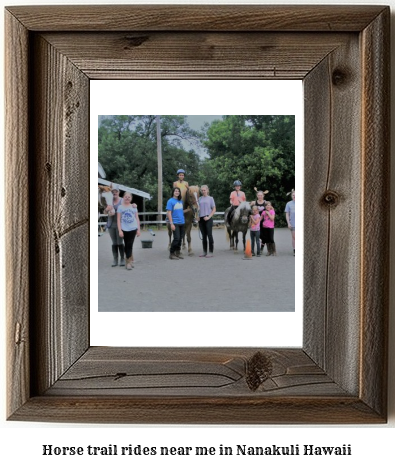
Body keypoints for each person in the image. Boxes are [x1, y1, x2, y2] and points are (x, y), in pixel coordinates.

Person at [117, 192, 141, 270]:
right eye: (126, 197)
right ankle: (128, 259)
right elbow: (118, 219)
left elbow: (137, 218)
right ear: (123, 197)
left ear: (131, 198)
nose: (127, 198)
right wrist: (120, 230)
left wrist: (138, 229)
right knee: (126, 244)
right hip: (124, 229)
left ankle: (128, 262)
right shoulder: (120, 207)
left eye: (129, 197)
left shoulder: (134, 207)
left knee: (130, 244)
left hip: (133, 228)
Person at [103, 186, 125, 267]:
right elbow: (105, 212)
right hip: (111, 225)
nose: (114, 193)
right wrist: (106, 210)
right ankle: (115, 259)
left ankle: (122, 259)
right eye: (113, 192)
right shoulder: (109, 201)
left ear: (119, 192)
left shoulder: (122, 200)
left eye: (116, 191)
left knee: (120, 242)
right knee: (114, 243)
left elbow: (127, 209)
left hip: (120, 225)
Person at [166, 187, 185, 260]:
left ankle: (178, 252)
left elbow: (180, 211)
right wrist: (171, 223)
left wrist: (189, 210)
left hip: (182, 222)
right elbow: (169, 213)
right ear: (173, 192)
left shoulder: (181, 201)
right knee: (176, 238)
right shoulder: (170, 201)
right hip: (175, 222)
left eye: (178, 191)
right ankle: (171, 253)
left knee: (180, 238)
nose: (177, 192)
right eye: (175, 191)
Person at [198, 185, 216, 258]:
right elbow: (197, 209)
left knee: (209, 235)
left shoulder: (210, 198)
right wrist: (197, 216)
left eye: (204, 190)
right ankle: (204, 251)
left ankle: (211, 251)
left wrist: (209, 217)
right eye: (202, 190)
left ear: (207, 190)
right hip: (201, 219)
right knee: (203, 236)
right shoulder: (199, 199)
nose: (203, 191)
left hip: (208, 218)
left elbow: (214, 209)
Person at [250, 188, 268, 253]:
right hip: (256, 221)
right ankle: (254, 249)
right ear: (257, 196)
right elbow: (249, 208)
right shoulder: (254, 202)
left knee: (263, 235)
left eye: (261, 195)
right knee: (257, 235)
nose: (260, 196)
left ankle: (262, 247)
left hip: (263, 221)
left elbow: (271, 209)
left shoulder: (266, 202)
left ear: (263, 196)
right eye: (258, 195)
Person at [284, 190, 295, 255]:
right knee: (294, 237)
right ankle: (295, 249)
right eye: (293, 195)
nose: (294, 196)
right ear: (291, 196)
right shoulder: (289, 204)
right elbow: (287, 214)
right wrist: (288, 223)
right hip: (292, 223)